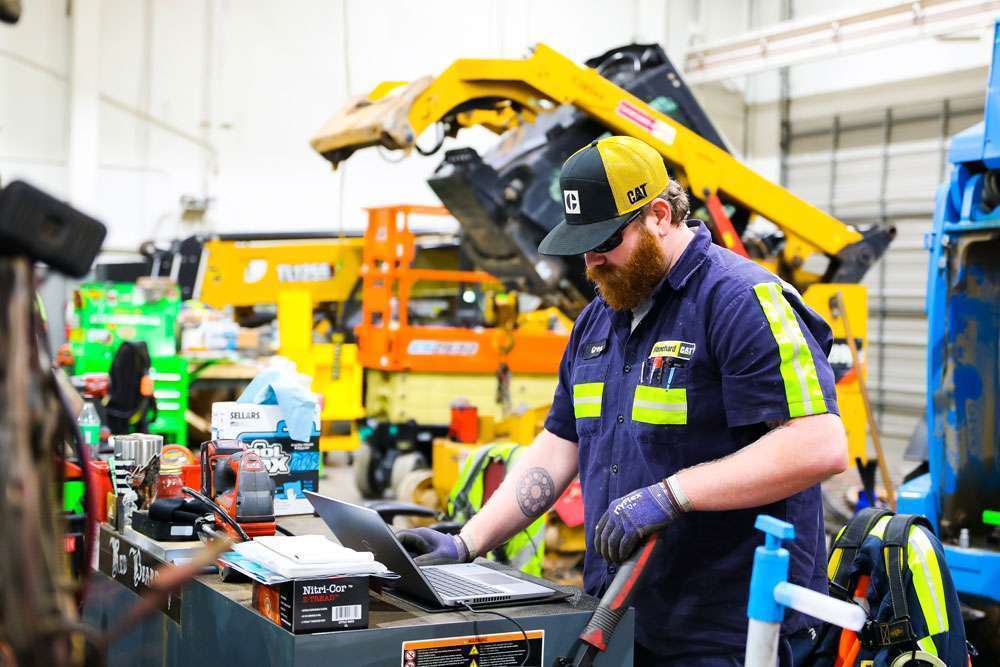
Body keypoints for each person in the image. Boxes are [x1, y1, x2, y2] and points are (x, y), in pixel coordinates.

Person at [398, 135, 848, 665]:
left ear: (659, 215)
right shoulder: (598, 318)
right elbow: (561, 443)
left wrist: (673, 493)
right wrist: (465, 543)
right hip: (618, 615)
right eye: (581, 247)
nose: (591, 262)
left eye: (605, 241)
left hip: (729, 633)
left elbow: (819, 445)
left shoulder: (741, 301)